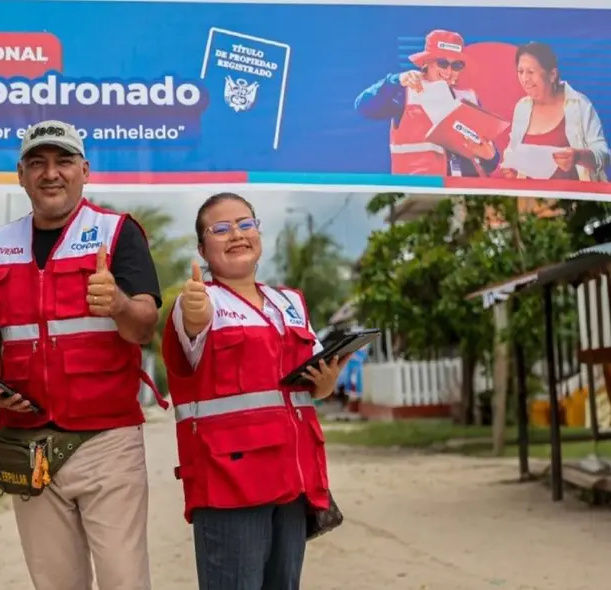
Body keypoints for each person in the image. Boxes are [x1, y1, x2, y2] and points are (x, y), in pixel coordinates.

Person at [0, 119, 165, 590]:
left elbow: (145, 325)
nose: (50, 173)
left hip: (107, 441)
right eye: (37, 163)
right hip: (25, 443)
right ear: (20, 175)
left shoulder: (118, 233)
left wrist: (117, 303)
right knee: (54, 583)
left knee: (124, 581)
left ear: (85, 170)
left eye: (63, 161)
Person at [161, 192, 346, 590]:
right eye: (220, 229)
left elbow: (310, 384)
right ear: (202, 248)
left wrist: (326, 385)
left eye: (245, 224)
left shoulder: (290, 302)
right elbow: (192, 327)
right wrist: (193, 312)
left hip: (294, 479)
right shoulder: (200, 300)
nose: (236, 235)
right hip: (230, 484)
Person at [355, 29, 500, 178]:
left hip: (464, 191)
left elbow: (491, 162)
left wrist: (490, 156)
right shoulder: (404, 93)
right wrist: (396, 80)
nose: (449, 71)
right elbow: (364, 106)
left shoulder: (469, 98)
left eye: (457, 65)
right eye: (443, 63)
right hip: (422, 189)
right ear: (426, 62)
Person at [500, 41, 609, 182]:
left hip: (574, 199)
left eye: (531, 72)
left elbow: (604, 156)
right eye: (521, 72)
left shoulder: (579, 105)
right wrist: (512, 171)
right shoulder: (522, 107)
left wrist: (578, 156)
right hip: (531, 200)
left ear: (552, 74)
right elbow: (513, 153)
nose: (525, 79)